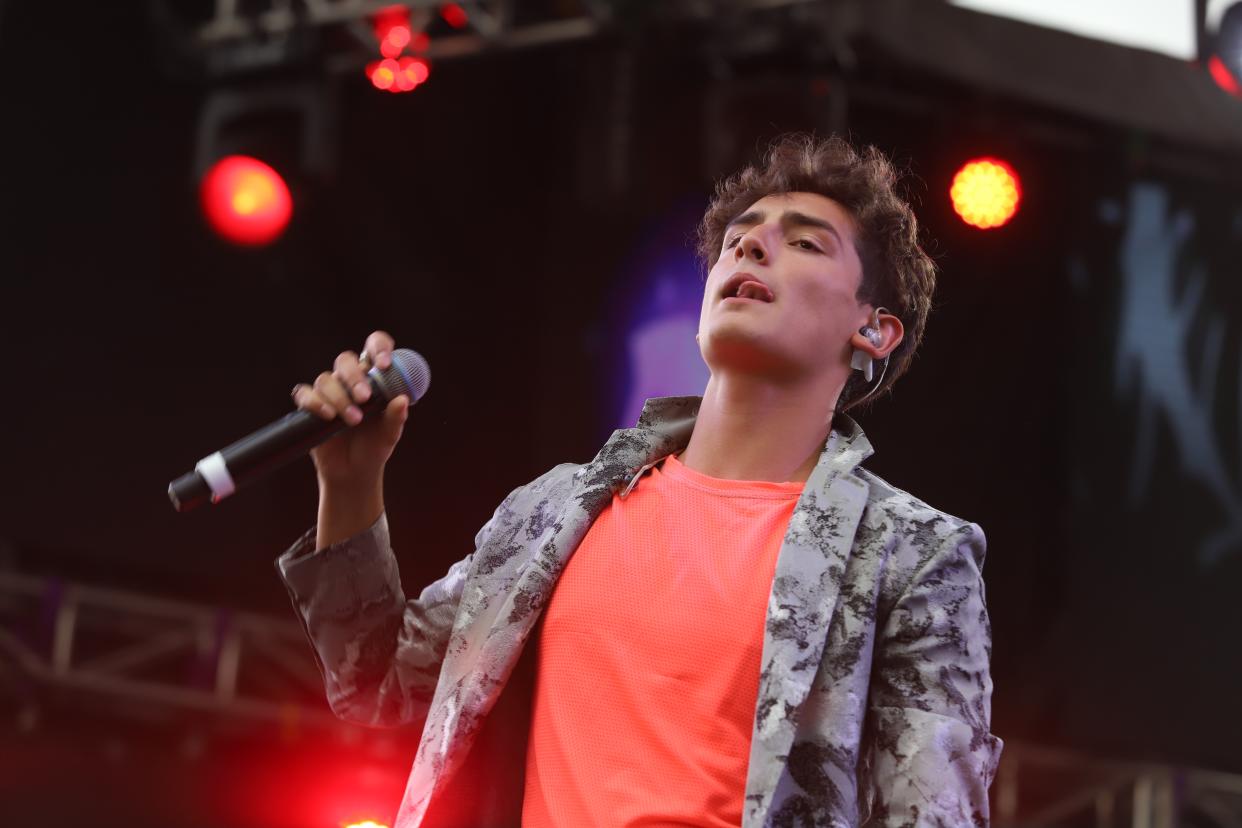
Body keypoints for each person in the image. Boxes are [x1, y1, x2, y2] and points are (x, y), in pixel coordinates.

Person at [278, 134, 1002, 827]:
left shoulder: (911, 555)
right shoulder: (555, 511)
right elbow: (380, 684)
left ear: (872, 330)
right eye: (738, 239)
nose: (752, 244)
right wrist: (351, 484)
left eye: (806, 241)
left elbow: (931, 815)